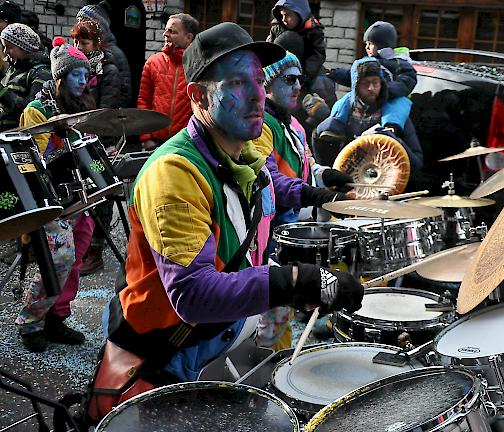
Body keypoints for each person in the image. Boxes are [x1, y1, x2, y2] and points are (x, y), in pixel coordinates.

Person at [88, 22, 363, 421]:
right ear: (198, 96)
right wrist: (292, 281)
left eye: (257, 80)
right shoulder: (175, 173)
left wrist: (315, 193)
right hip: (170, 359)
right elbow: (193, 295)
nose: (257, 95)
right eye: (236, 83)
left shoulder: (244, 155)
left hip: (223, 342)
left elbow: (261, 221)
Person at [252, 51, 353, 349]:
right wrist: (314, 194)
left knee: (283, 308)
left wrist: (329, 176)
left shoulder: (294, 125)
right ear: (268, 84)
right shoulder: (262, 125)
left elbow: (306, 168)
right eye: (289, 80)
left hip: (289, 227)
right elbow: (269, 180)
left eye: (300, 79)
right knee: (273, 310)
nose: (298, 86)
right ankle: (261, 363)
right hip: (266, 230)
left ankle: (276, 358)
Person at [16, 39, 96, 352]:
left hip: (79, 196)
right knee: (60, 258)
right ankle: (30, 322)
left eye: (85, 75)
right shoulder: (37, 110)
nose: (83, 80)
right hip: (50, 201)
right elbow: (31, 161)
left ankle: (56, 318)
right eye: (76, 74)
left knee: (74, 260)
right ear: (61, 76)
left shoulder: (81, 108)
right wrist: (60, 143)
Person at [70, 20, 121, 275]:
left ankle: (97, 249)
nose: (79, 47)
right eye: (76, 42)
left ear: (97, 43)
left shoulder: (108, 70)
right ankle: (80, 243)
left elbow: (108, 108)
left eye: (85, 43)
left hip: (101, 137)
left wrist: (100, 137)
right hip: (79, 135)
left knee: (102, 191)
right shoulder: (75, 66)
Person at [315, 56, 424, 171]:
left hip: (386, 184)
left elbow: (417, 163)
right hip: (347, 182)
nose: (371, 88)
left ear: (382, 84)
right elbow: (326, 164)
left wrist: (393, 142)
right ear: (355, 87)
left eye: (375, 82)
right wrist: (318, 136)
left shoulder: (396, 117)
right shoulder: (344, 117)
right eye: (365, 83)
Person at [324, 21, 417, 141]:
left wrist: (385, 90)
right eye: (366, 44)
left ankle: (389, 127)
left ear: (383, 45)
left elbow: (407, 80)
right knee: (346, 100)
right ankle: (335, 125)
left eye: (370, 43)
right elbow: (352, 76)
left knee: (399, 103)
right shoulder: (367, 62)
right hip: (366, 101)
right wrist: (333, 73)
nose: (366, 47)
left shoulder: (399, 62)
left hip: (390, 98)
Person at [137, 13, 197, 150]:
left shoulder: (197, 66)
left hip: (185, 143)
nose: (165, 34)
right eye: (166, 29)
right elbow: (143, 102)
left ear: (188, 38)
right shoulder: (153, 62)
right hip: (155, 143)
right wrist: (146, 138)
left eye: (172, 31)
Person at [266, 0, 329, 105]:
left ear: (300, 13)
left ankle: (320, 112)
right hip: (280, 67)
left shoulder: (313, 30)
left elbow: (317, 56)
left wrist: (304, 76)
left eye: (287, 15)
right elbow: (270, 49)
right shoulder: (277, 28)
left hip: (305, 69)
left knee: (321, 84)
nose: (284, 19)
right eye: (281, 16)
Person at [77, 4, 131, 108]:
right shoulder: (79, 50)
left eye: (84, 21)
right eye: (78, 21)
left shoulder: (114, 54)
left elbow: (125, 91)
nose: (79, 25)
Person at [0, 23, 51, 131]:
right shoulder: (11, 70)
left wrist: (2, 92)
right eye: (4, 47)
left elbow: (31, 111)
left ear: (24, 48)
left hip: (20, 141)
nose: (5, 52)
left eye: (9, 47)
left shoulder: (41, 73)